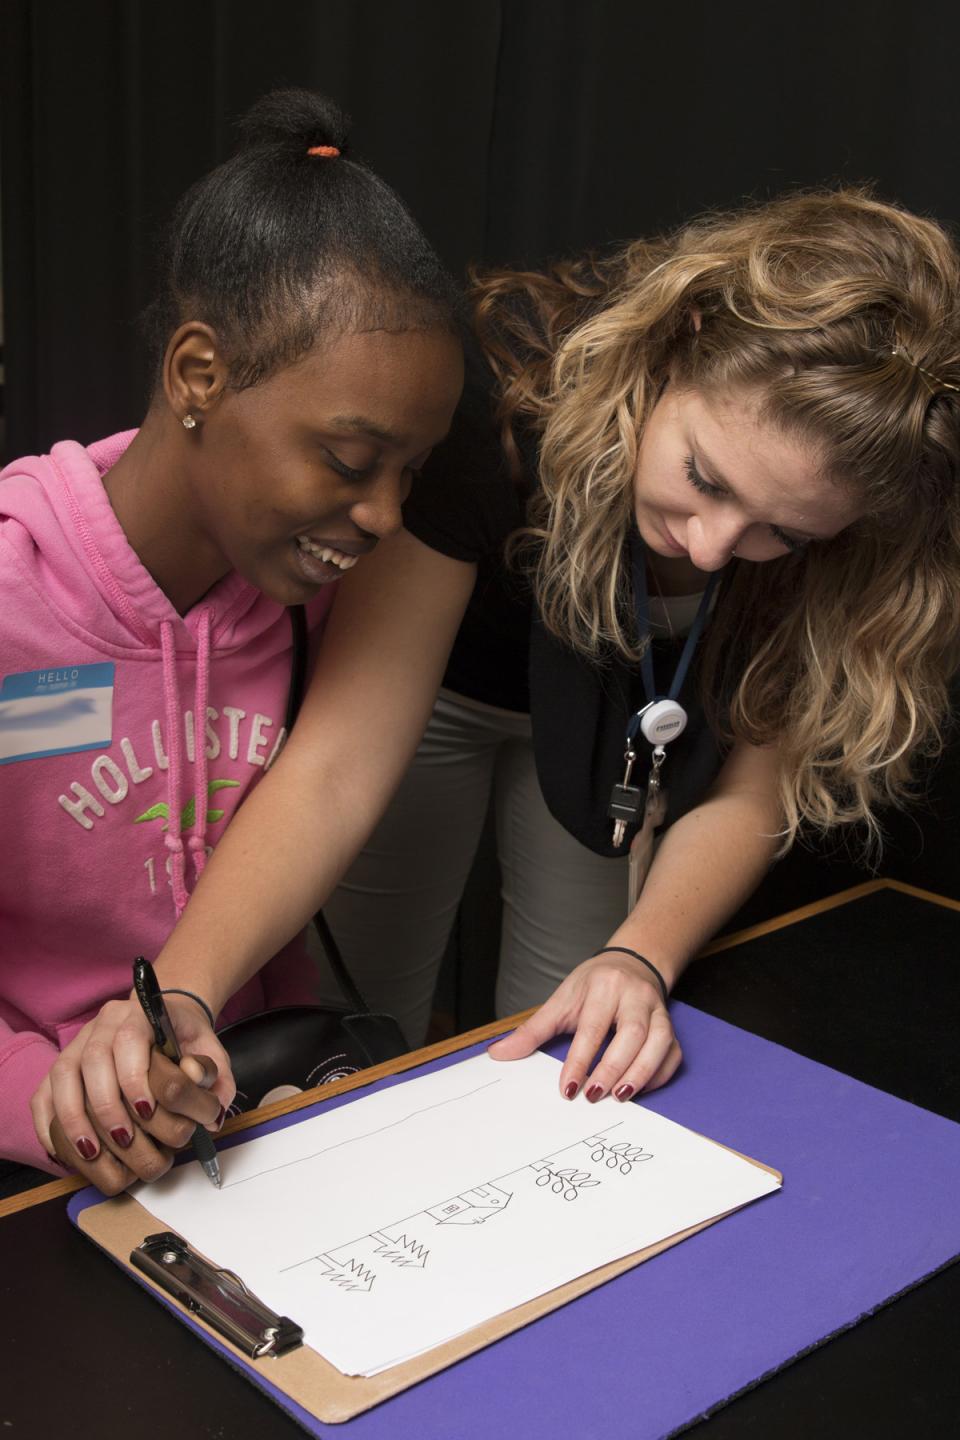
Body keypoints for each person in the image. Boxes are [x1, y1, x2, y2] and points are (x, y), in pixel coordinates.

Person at [33, 188, 960, 1190]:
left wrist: (640, 960)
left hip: (619, 728)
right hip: (440, 684)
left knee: (568, 1035)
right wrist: (182, 994)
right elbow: (340, 764)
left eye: (782, 534)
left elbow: (752, 787)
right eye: (704, 478)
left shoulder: (845, 534)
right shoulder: (504, 394)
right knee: (358, 1017)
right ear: (678, 346)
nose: (713, 546)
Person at [1, 88, 465, 1190]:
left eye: (412, 473)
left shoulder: (320, 584)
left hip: (254, 1117)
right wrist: (60, 1103)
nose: (387, 517)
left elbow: (337, 776)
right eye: (352, 463)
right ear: (200, 375)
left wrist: (182, 1040)